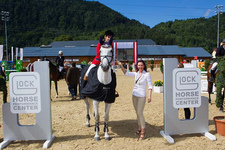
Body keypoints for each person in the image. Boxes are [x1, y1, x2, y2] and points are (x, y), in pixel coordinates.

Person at [117, 60, 153, 140]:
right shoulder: (136, 74)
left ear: (144, 66)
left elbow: (150, 86)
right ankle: (139, 127)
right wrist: (121, 65)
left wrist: (149, 96)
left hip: (142, 96)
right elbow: (126, 73)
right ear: (137, 66)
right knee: (137, 113)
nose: (140, 67)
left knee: (140, 113)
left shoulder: (147, 75)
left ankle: (143, 131)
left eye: (142, 65)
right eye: (139, 65)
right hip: (134, 95)